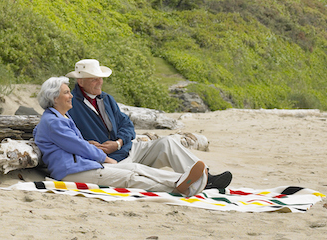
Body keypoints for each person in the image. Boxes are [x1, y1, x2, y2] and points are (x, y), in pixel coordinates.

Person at [65, 58, 232, 191]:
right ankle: (191, 181)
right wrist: (93, 147)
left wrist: (118, 143)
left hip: (128, 149)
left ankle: (206, 177)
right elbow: (69, 137)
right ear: (81, 82)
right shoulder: (70, 105)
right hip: (111, 162)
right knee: (137, 169)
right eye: (94, 79)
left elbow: (128, 125)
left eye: (100, 78)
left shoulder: (106, 99)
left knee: (167, 142)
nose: (100, 82)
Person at [34, 76, 208, 195]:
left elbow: (72, 142)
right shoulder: (54, 121)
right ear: (54, 98)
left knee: (135, 168)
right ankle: (181, 187)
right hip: (73, 170)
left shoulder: (60, 117)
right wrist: (104, 157)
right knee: (129, 177)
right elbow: (76, 146)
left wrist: (113, 143)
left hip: (83, 164)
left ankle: (182, 179)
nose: (70, 95)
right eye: (66, 92)